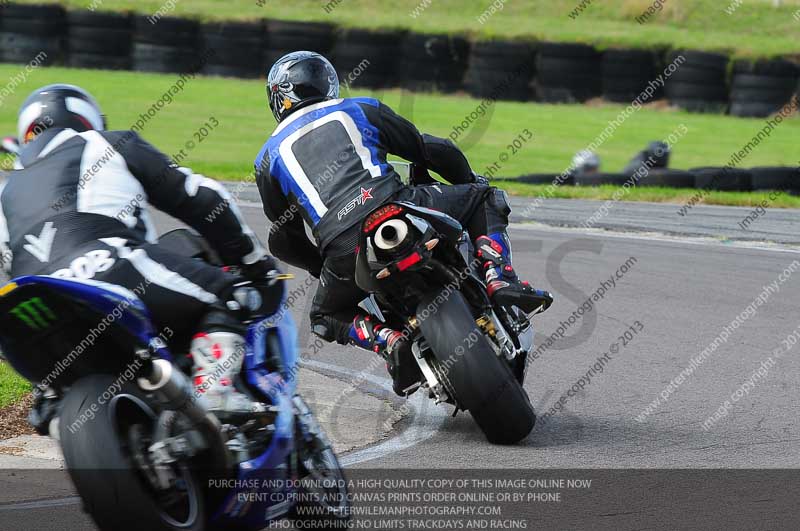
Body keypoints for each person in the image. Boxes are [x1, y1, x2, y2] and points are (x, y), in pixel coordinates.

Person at [255, 52, 551, 393]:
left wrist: (320, 266)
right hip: (399, 205)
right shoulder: (359, 108)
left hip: (342, 247)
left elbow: (282, 238)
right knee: (484, 197)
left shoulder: (268, 157)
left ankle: (388, 340)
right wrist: (468, 181)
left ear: (278, 98)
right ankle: (498, 277)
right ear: (327, 84)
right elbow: (432, 149)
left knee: (324, 315)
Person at [0, 84, 280, 415]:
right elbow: (201, 197)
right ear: (85, 119)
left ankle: (64, 417)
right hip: (108, 264)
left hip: (30, 305)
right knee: (229, 295)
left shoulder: (6, 188)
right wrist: (251, 261)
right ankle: (215, 389)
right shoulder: (107, 143)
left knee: (48, 405)